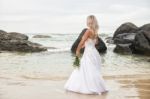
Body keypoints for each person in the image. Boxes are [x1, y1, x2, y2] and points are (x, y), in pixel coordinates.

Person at [64, 15, 108, 95]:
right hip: (95, 53)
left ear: (89, 22)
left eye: (88, 21)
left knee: (85, 69)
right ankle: (98, 87)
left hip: (89, 54)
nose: (88, 23)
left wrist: (77, 50)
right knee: (92, 70)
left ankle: (87, 87)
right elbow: (95, 43)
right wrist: (87, 44)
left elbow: (81, 41)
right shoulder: (95, 32)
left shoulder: (88, 31)